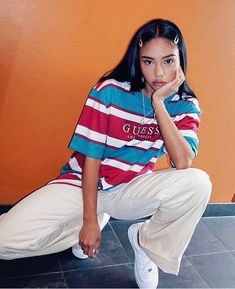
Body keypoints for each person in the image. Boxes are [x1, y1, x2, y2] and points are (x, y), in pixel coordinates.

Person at [0, 19, 212, 288]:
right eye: (148, 61)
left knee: (197, 183)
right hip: (81, 184)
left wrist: (158, 103)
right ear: (137, 58)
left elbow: (182, 161)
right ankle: (87, 226)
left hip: (131, 188)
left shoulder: (185, 105)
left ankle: (146, 244)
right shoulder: (109, 92)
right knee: (4, 241)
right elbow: (92, 157)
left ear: (180, 60)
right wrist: (88, 222)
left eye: (168, 61)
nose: (158, 72)